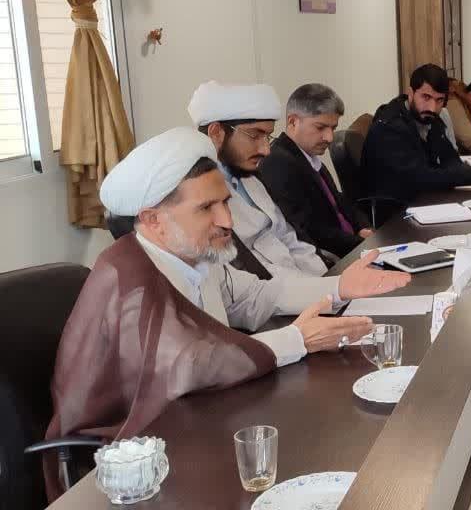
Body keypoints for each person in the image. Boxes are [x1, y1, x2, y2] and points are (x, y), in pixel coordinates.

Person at [43, 128, 410, 497]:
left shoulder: (194, 253)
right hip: (127, 465)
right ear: (153, 220)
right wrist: (298, 339)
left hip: (202, 421)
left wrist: (340, 286)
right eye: (206, 208)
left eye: (225, 203)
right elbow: (191, 363)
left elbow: (255, 296)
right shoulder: (127, 277)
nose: (227, 221)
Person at [189, 81, 328, 278]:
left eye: (267, 137)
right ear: (216, 133)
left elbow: (289, 238)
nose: (266, 150)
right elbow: (249, 277)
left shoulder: (250, 177)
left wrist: (331, 281)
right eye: (255, 136)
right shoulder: (200, 198)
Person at [363, 64, 471, 202]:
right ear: (410, 93)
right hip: (394, 210)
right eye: (426, 97)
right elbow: (420, 177)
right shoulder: (391, 127)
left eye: (439, 100)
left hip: (422, 199)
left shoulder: (430, 118)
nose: (432, 107)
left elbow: (451, 160)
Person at [258, 83, 372, 259]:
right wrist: (360, 244)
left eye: (333, 128)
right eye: (320, 128)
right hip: (333, 259)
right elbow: (307, 230)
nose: (330, 138)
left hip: (354, 246)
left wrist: (363, 226)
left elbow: (339, 201)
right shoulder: (278, 163)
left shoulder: (308, 156)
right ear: (293, 122)